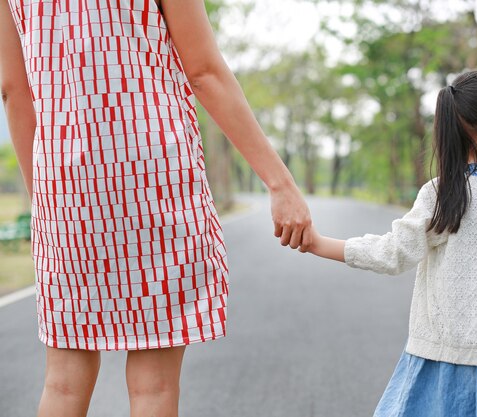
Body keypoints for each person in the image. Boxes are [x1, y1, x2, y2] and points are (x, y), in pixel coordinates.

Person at [0, 0, 311, 416]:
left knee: (62, 384)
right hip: (155, 176)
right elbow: (203, 72)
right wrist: (279, 181)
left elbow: (15, 90)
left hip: (65, 192)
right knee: (154, 386)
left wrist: (46, 197)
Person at [302, 70, 477, 417]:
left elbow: (393, 252)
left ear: (452, 126)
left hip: (452, 358)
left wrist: (317, 243)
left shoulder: (445, 193)